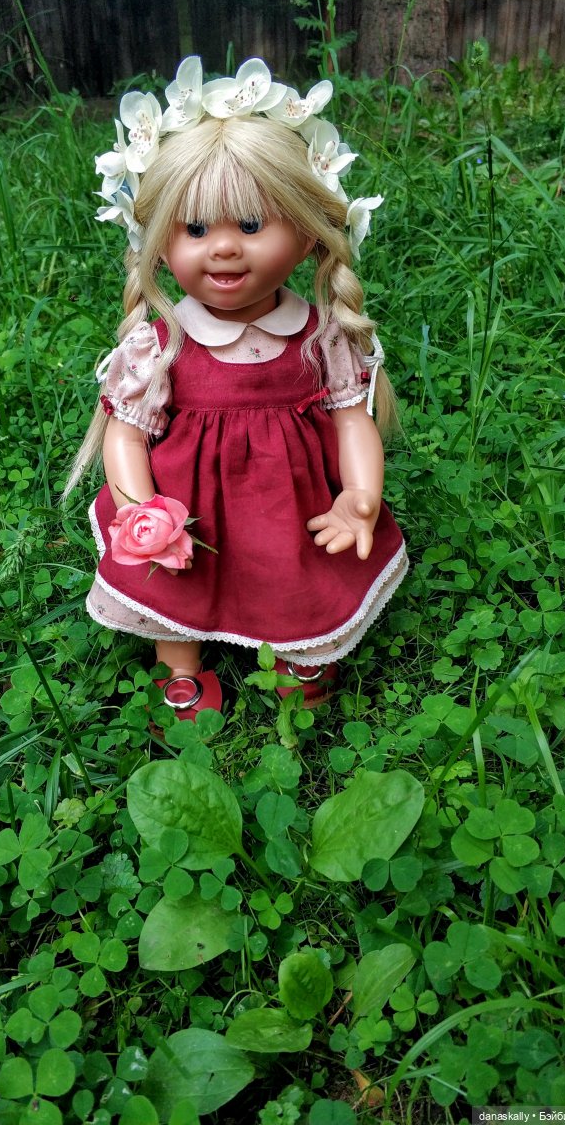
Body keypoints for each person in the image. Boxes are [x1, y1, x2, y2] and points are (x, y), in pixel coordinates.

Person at [65, 56, 408, 719]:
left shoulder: (319, 334)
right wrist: (141, 511)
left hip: (291, 504)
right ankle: (181, 667)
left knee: (298, 571)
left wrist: (361, 497)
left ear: (308, 235)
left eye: (251, 226)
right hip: (188, 508)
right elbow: (126, 437)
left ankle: (303, 647)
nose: (222, 249)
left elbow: (352, 420)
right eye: (195, 229)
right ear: (159, 243)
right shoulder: (161, 345)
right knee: (175, 586)